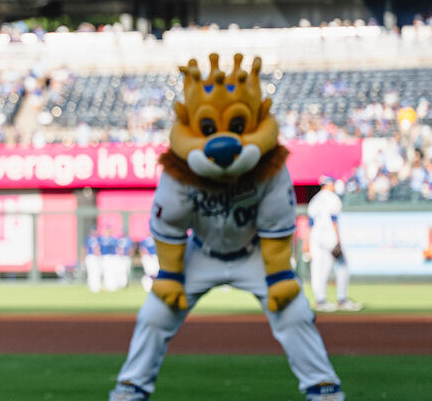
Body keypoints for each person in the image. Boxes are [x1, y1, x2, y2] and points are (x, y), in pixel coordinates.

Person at [110, 53, 344, 401]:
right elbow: (169, 226)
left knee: (294, 311)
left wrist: (279, 275)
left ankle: (323, 389)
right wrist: (171, 275)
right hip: (201, 252)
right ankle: (130, 389)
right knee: (155, 313)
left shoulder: (269, 166)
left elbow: (276, 229)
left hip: (254, 253)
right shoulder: (179, 170)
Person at [307, 178, 361, 312]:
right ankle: (342, 299)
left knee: (321, 268)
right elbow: (334, 220)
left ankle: (320, 300)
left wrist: (308, 242)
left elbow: (310, 224)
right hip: (328, 234)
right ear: (329, 184)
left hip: (316, 236)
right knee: (342, 264)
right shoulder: (332, 198)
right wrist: (338, 240)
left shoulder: (314, 199)